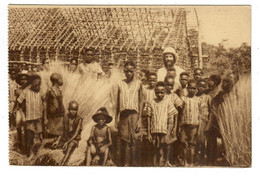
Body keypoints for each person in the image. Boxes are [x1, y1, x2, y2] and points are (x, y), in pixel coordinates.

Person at [112, 61, 142, 166]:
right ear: (124, 71)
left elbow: (141, 102)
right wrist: (116, 119)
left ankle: (133, 164)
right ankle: (125, 163)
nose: (128, 73)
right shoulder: (120, 83)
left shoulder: (138, 83)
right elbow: (117, 103)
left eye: (131, 71)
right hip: (124, 115)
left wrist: (140, 119)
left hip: (134, 115)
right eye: (126, 71)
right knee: (123, 139)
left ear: (134, 71)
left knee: (133, 140)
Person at [143, 82, 178, 166]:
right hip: (154, 130)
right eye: (157, 92)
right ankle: (156, 166)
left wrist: (169, 131)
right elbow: (148, 117)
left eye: (162, 92)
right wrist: (148, 133)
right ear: (154, 92)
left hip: (164, 130)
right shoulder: (151, 102)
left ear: (165, 92)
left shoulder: (168, 102)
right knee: (155, 150)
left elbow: (171, 117)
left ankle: (164, 164)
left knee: (162, 150)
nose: (159, 94)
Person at [205, 75, 235, 166]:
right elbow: (213, 109)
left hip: (229, 121)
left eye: (226, 83)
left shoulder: (234, 95)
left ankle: (228, 158)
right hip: (216, 121)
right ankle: (211, 160)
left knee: (227, 140)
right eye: (223, 82)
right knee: (211, 140)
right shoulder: (219, 95)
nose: (224, 84)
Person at [16, 74, 45, 157]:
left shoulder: (41, 90)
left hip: (39, 118)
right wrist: (23, 116)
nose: (38, 86)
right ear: (31, 83)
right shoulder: (26, 91)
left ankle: (38, 153)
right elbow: (19, 103)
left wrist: (45, 116)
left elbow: (44, 102)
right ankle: (29, 153)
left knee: (40, 135)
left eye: (39, 84)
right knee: (30, 136)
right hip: (29, 118)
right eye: (36, 84)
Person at [179, 79, 203, 166]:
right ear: (187, 88)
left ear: (196, 89)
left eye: (194, 88)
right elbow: (180, 112)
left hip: (194, 125)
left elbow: (200, 114)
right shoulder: (183, 98)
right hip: (184, 125)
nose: (192, 90)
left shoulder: (198, 100)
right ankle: (185, 162)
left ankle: (192, 163)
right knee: (184, 144)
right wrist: (179, 125)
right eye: (190, 88)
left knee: (192, 145)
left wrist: (199, 127)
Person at [43, 73, 65, 149]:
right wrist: (45, 117)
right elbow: (45, 103)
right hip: (52, 116)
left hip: (60, 114)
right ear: (56, 80)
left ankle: (56, 145)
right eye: (60, 78)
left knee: (60, 131)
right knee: (53, 132)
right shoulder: (50, 90)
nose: (62, 80)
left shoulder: (59, 90)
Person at [139, 72, 157, 166]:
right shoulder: (145, 90)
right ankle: (144, 160)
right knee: (145, 136)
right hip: (145, 115)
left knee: (153, 136)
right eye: (150, 80)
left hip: (155, 115)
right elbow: (142, 102)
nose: (152, 82)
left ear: (156, 81)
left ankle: (152, 161)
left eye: (154, 80)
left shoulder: (157, 91)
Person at [60, 101, 82, 166]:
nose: (73, 111)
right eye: (71, 109)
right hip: (66, 137)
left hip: (74, 139)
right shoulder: (66, 117)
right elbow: (62, 130)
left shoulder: (79, 119)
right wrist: (58, 140)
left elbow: (76, 133)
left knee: (69, 147)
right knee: (53, 144)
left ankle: (62, 164)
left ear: (77, 110)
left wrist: (67, 142)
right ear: (68, 109)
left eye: (75, 110)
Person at [13, 70, 30, 152]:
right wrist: (14, 109)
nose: (23, 81)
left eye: (25, 79)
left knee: (26, 127)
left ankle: (27, 145)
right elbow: (16, 100)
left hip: (27, 110)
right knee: (18, 125)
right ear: (19, 80)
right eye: (22, 79)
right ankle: (20, 143)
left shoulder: (30, 89)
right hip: (20, 110)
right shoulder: (18, 90)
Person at [195, 79, 212, 165]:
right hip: (194, 120)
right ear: (197, 86)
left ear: (206, 88)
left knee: (202, 140)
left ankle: (201, 158)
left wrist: (209, 123)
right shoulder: (194, 96)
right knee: (195, 140)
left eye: (203, 86)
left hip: (204, 120)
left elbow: (211, 111)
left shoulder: (208, 97)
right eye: (200, 86)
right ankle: (195, 158)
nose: (201, 88)